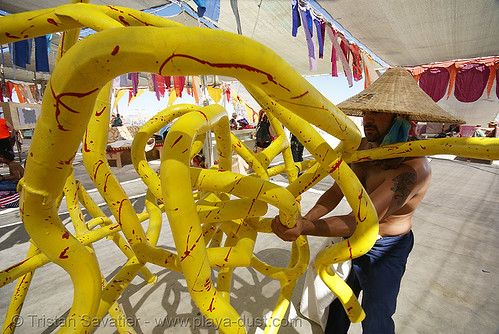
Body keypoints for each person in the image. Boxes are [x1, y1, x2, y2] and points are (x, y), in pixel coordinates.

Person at [271, 67, 462, 333]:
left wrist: (304, 228)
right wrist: (305, 219)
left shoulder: (413, 168)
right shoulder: (363, 148)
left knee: (376, 318)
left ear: (401, 119)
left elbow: (364, 219)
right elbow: (337, 191)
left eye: (377, 112)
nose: (367, 119)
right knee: (336, 308)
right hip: (351, 240)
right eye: (366, 112)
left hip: (386, 249)